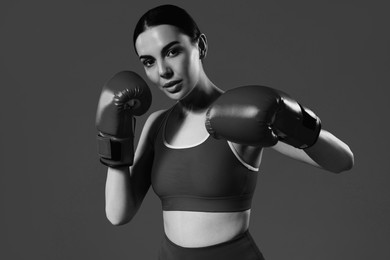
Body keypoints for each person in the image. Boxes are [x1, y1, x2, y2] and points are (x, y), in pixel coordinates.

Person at [95, 4, 354, 260]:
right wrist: (114, 134)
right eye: (149, 62)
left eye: (173, 51)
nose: (163, 71)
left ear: (201, 46)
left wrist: (294, 119)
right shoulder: (157, 124)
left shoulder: (239, 114)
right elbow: (119, 214)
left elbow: (343, 161)